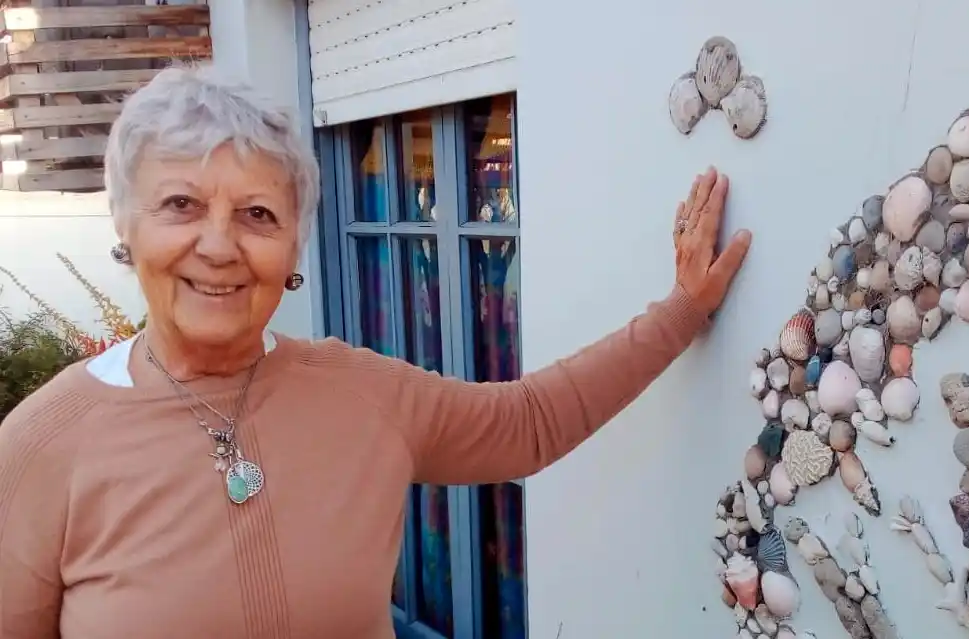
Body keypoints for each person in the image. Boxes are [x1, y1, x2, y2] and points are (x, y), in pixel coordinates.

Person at [0, 65, 752, 638]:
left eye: (258, 214)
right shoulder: (43, 446)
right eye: (181, 205)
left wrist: (682, 311)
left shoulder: (358, 395)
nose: (220, 245)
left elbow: (529, 422)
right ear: (126, 226)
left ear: (294, 248)